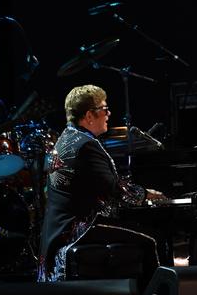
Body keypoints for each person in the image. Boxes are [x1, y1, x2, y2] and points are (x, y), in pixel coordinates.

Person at [38, 84, 164, 282]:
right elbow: (113, 189)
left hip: (58, 231)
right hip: (79, 230)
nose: (109, 113)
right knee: (152, 239)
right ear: (89, 115)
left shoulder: (65, 139)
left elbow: (98, 184)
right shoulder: (86, 145)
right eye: (104, 109)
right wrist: (146, 194)